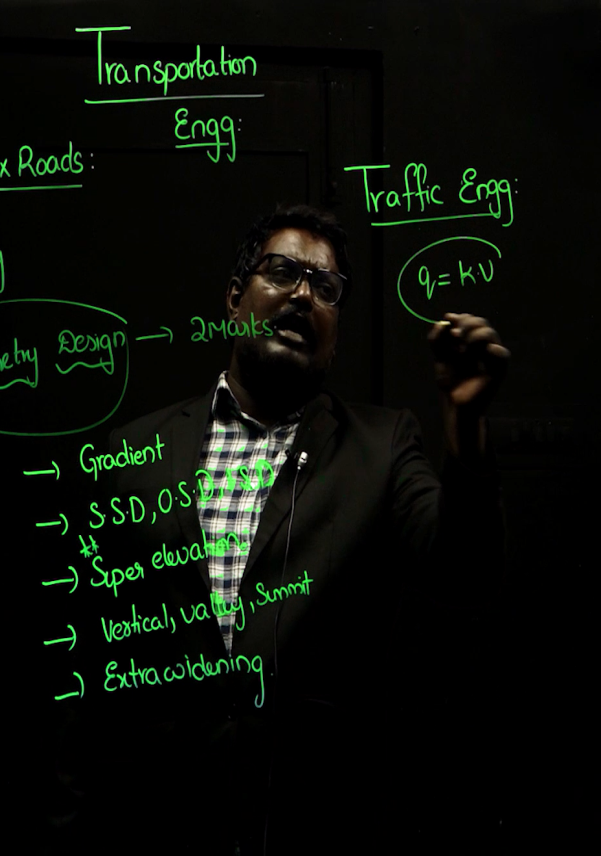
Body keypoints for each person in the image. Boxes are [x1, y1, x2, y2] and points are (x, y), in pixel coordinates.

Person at [52, 204, 508, 856]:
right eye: (283, 271)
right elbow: (85, 684)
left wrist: (465, 425)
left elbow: (464, 575)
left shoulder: (380, 449)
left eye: (325, 288)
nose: (302, 295)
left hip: (315, 836)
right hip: (157, 835)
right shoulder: (130, 457)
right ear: (235, 298)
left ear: (335, 332)